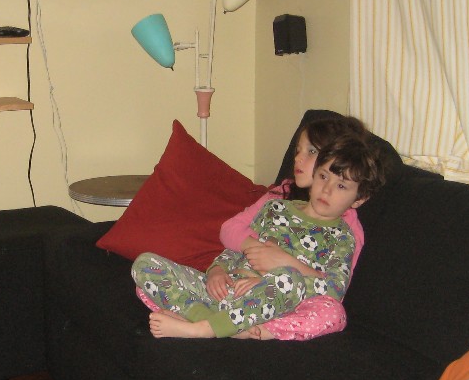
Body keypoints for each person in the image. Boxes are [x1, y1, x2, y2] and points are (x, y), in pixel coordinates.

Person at [131, 133, 385, 339]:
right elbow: (236, 249)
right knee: (144, 264)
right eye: (323, 176)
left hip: (275, 304)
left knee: (332, 313)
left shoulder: (343, 237)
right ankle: (213, 320)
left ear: (359, 199)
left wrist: (275, 277)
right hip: (228, 292)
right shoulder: (276, 208)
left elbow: (334, 289)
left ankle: (203, 329)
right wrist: (217, 270)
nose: (326, 189)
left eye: (341, 186)